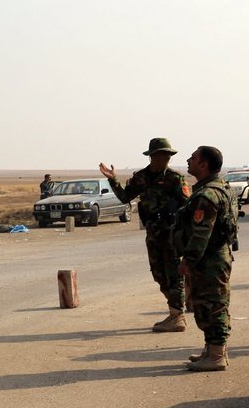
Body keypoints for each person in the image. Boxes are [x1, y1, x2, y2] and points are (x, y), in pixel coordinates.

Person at [99, 137, 191, 333]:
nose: (166, 158)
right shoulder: (141, 177)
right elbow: (125, 197)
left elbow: (187, 205)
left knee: (174, 275)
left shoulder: (176, 178)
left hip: (172, 233)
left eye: (168, 155)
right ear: (152, 157)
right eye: (162, 155)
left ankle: (177, 315)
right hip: (153, 232)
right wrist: (112, 179)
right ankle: (176, 310)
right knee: (158, 274)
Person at [177, 146, 236, 371]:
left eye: (193, 158)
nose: (189, 161)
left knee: (213, 306)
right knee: (207, 305)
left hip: (209, 260)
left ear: (204, 165)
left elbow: (202, 234)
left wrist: (187, 261)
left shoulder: (208, 195)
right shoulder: (220, 188)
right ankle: (211, 349)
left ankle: (217, 355)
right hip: (213, 257)